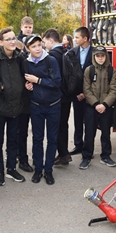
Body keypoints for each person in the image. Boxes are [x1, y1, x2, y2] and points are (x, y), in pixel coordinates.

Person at [0, 27, 27, 186]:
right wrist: (1, 87)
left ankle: (11, 169)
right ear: (1, 42)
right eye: (8, 39)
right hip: (0, 107)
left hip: (16, 107)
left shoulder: (20, 57)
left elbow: (24, 76)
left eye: (13, 38)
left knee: (13, 140)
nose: (12, 42)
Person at [23, 34, 62, 185]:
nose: (37, 49)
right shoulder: (26, 63)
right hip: (36, 106)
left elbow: (57, 82)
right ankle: (38, 169)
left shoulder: (50, 60)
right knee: (37, 139)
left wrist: (37, 80)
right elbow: (27, 81)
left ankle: (49, 170)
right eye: (33, 46)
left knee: (52, 139)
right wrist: (28, 85)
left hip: (53, 105)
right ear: (28, 49)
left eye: (39, 45)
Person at [80, 46, 116, 169]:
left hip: (106, 107)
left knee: (106, 133)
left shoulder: (112, 71)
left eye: (102, 56)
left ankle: (106, 156)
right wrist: (96, 104)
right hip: (92, 106)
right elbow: (86, 90)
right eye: (98, 56)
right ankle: (86, 156)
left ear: (106, 56)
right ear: (94, 56)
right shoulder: (89, 70)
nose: (100, 58)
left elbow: (114, 90)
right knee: (89, 133)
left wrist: (105, 104)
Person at [42, 29, 72, 166]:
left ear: (51, 40)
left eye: (44, 42)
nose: (44, 45)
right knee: (63, 125)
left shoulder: (52, 55)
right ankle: (64, 153)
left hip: (57, 96)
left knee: (56, 126)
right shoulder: (67, 52)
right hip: (67, 95)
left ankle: (62, 154)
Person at [64, 27, 93, 155]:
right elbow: (71, 75)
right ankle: (78, 145)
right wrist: (77, 93)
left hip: (90, 94)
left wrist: (86, 93)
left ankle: (88, 148)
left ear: (85, 39)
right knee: (77, 120)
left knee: (89, 122)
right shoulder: (72, 52)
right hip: (76, 94)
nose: (74, 40)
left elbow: (95, 76)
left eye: (77, 37)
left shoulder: (95, 53)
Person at [16, 17, 35, 173]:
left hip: (33, 96)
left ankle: (31, 157)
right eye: (26, 27)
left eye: (30, 27)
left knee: (33, 131)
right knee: (20, 131)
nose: (28, 29)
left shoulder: (36, 43)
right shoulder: (15, 44)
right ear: (21, 27)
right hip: (19, 96)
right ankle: (21, 158)